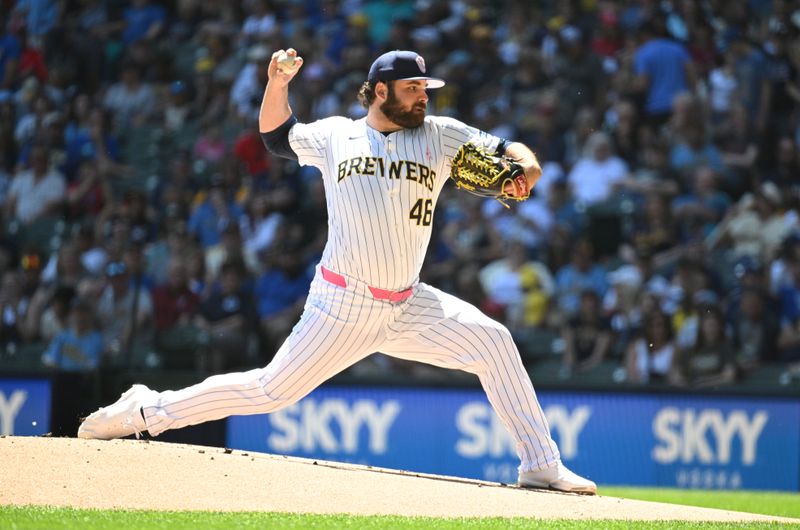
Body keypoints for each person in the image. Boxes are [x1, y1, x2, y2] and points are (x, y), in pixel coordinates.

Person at [78, 48, 596, 495]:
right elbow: (278, 136)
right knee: (269, 392)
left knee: (495, 343)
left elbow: (508, 150)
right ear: (377, 91)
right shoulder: (335, 135)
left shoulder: (441, 135)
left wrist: (525, 166)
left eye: (425, 87)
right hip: (342, 304)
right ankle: (146, 410)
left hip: (409, 302)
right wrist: (277, 83)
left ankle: (540, 465)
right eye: (412, 87)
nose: (423, 96)